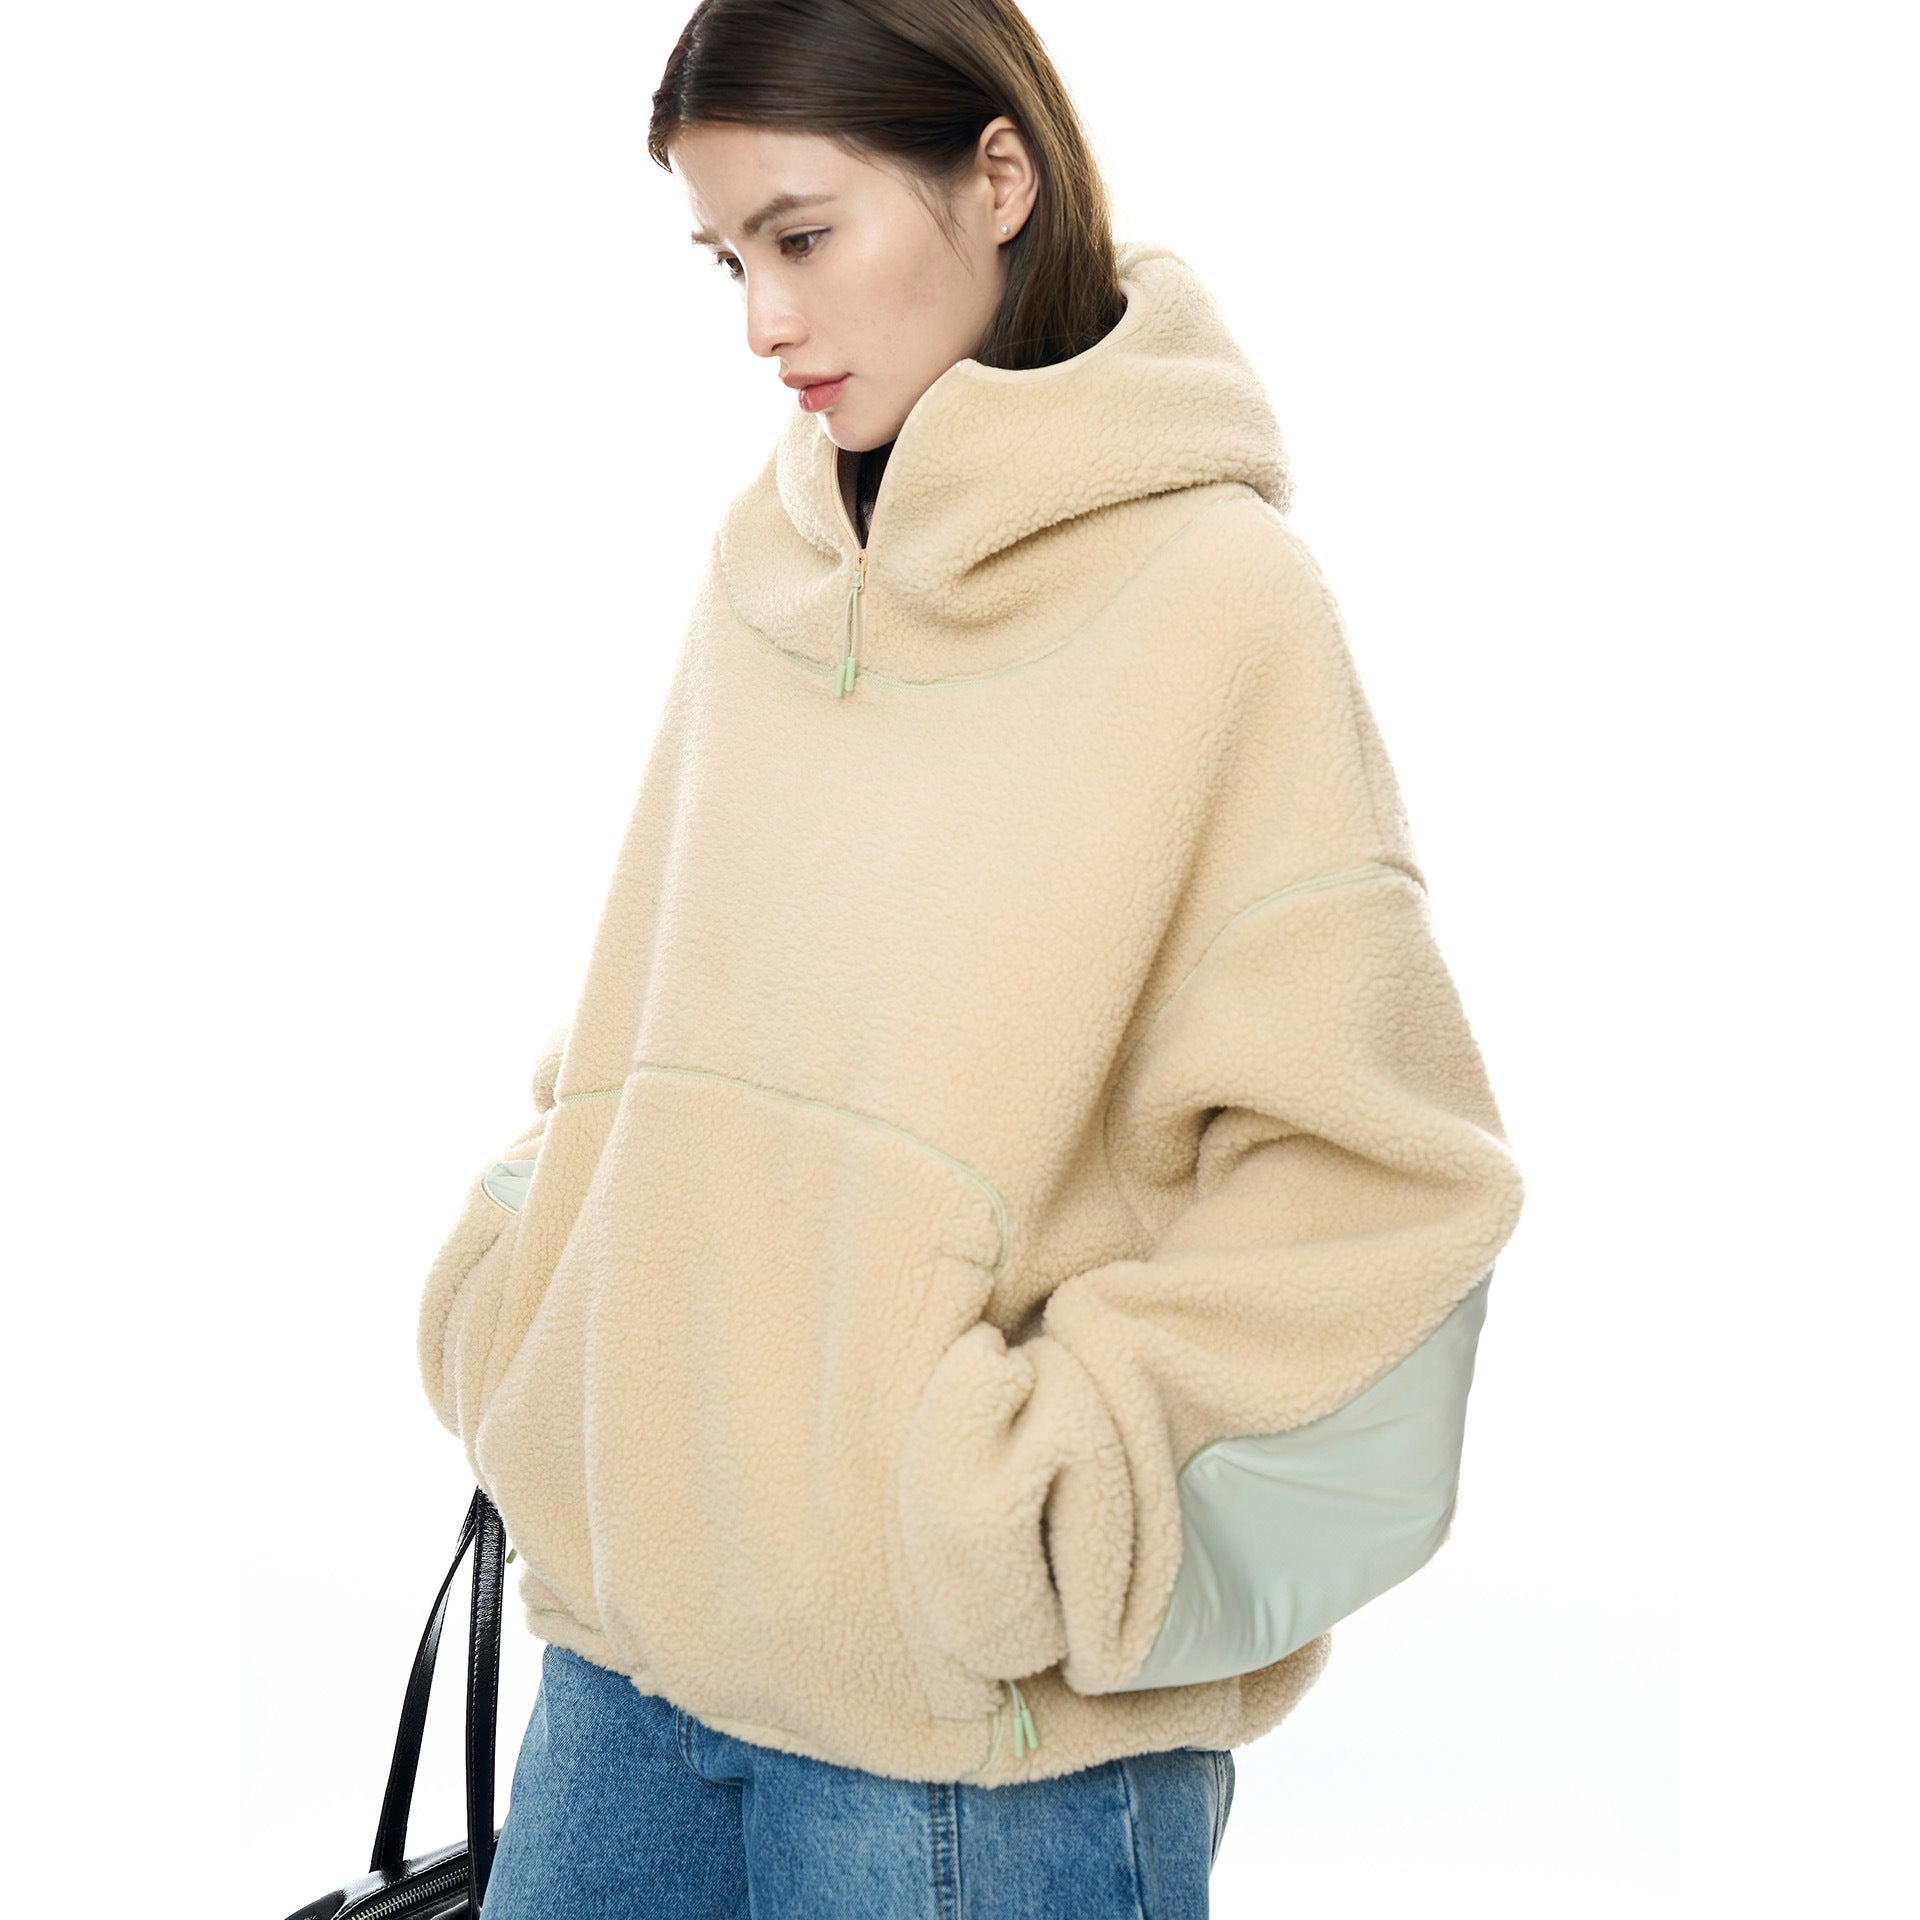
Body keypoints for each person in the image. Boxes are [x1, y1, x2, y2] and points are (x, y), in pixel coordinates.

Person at [416, 1, 1525, 1912]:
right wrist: (527, 1296)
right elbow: (643, 1024)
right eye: (727, 259)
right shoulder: (764, 570)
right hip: (632, 1666)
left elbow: (1378, 1186)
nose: (764, 320)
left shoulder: (1217, 605)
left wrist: (1027, 1508)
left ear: (995, 176)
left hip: (968, 1747)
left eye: (802, 234)